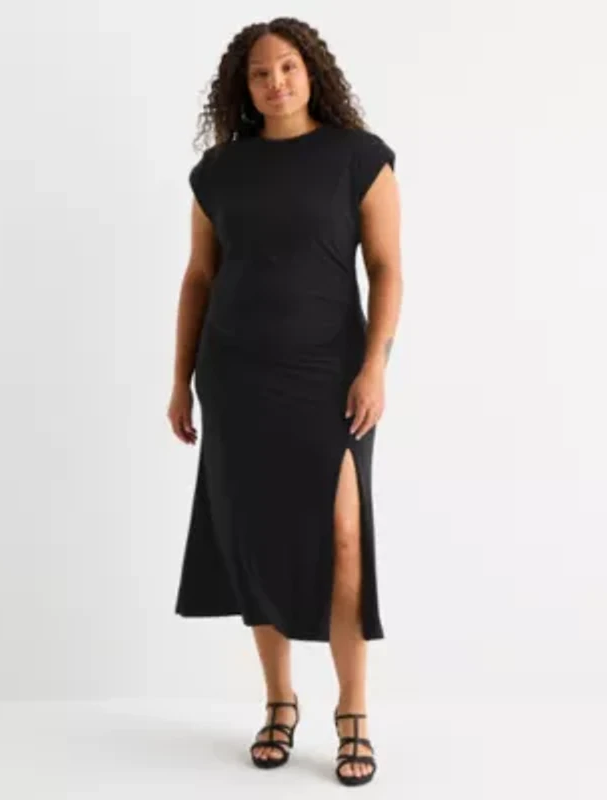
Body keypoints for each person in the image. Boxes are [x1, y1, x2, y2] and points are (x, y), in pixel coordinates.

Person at [167, 17, 401, 787]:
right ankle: (278, 701)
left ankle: (353, 710)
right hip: (235, 376)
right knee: (255, 540)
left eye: (288, 67)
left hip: (329, 376)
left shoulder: (359, 158)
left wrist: (374, 367)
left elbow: (387, 269)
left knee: (343, 538)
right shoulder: (218, 172)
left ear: (312, 72)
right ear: (244, 87)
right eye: (261, 73)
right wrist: (179, 380)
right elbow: (200, 278)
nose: (276, 82)